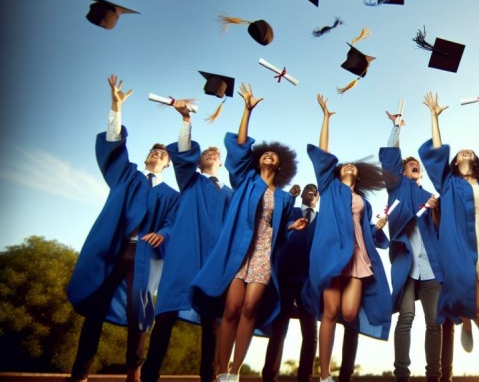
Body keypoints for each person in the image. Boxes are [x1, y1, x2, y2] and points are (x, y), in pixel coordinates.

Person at [67, 75, 179, 382]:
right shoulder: (127, 176)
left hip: (146, 254)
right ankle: (80, 373)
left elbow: (172, 224)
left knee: (139, 314)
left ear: (168, 164)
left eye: (163, 154)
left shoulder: (172, 196)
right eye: (154, 152)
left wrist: (164, 234)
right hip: (114, 249)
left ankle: (134, 372)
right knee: (95, 309)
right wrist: (116, 107)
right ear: (146, 158)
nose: (158, 154)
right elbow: (114, 147)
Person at [191, 83, 304, 382]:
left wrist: (292, 226)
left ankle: (234, 372)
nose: (268, 156)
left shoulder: (284, 197)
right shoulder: (245, 180)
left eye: (273, 156)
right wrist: (247, 110)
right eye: (264, 154)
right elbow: (239, 148)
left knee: (250, 309)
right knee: (230, 309)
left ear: (280, 164)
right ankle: (219, 369)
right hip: (237, 253)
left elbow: (280, 236)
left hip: (264, 256)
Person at [418, 92, 479, 354]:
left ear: (474, 159)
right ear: (455, 161)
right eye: (460, 152)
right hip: (459, 242)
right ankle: (467, 322)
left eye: (469, 151)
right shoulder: (448, 183)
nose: (465, 151)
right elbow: (437, 154)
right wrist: (434, 117)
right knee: (469, 300)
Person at [141, 100, 234, 382]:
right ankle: (149, 376)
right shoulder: (190, 181)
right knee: (166, 316)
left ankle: (210, 377)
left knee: (212, 323)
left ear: (220, 162)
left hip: (214, 262)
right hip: (184, 257)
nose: (208, 154)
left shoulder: (230, 194)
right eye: (204, 152)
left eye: (213, 153)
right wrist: (185, 120)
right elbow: (182, 151)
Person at [303, 94, 392, 382]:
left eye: (353, 166)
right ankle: (326, 374)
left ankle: (343, 366)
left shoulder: (361, 200)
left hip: (356, 256)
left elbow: (365, 230)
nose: (349, 167)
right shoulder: (328, 188)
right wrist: (326, 118)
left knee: (350, 312)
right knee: (330, 312)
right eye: (345, 165)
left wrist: (377, 227)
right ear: (338, 171)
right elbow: (323, 153)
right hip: (331, 254)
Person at [378, 109, 446, 382]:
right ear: (403, 172)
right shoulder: (397, 188)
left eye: (418, 164)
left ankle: (434, 376)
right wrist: (397, 128)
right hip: (406, 265)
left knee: (434, 323)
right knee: (405, 317)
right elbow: (391, 160)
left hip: (431, 267)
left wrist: (436, 210)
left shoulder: (431, 196)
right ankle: (401, 376)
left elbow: (442, 230)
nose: (415, 165)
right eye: (410, 164)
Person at [261, 183, 319, 382]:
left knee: (310, 333)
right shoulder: (292, 211)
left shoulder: (323, 219)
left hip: (309, 280)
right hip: (285, 274)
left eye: (315, 190)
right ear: (303, 194)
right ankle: (269, 376)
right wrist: (291, 197)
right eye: (308, 189)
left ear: (318, 197)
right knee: (279, 328)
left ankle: (305, 377)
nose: (312, 191)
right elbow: (275, 224)